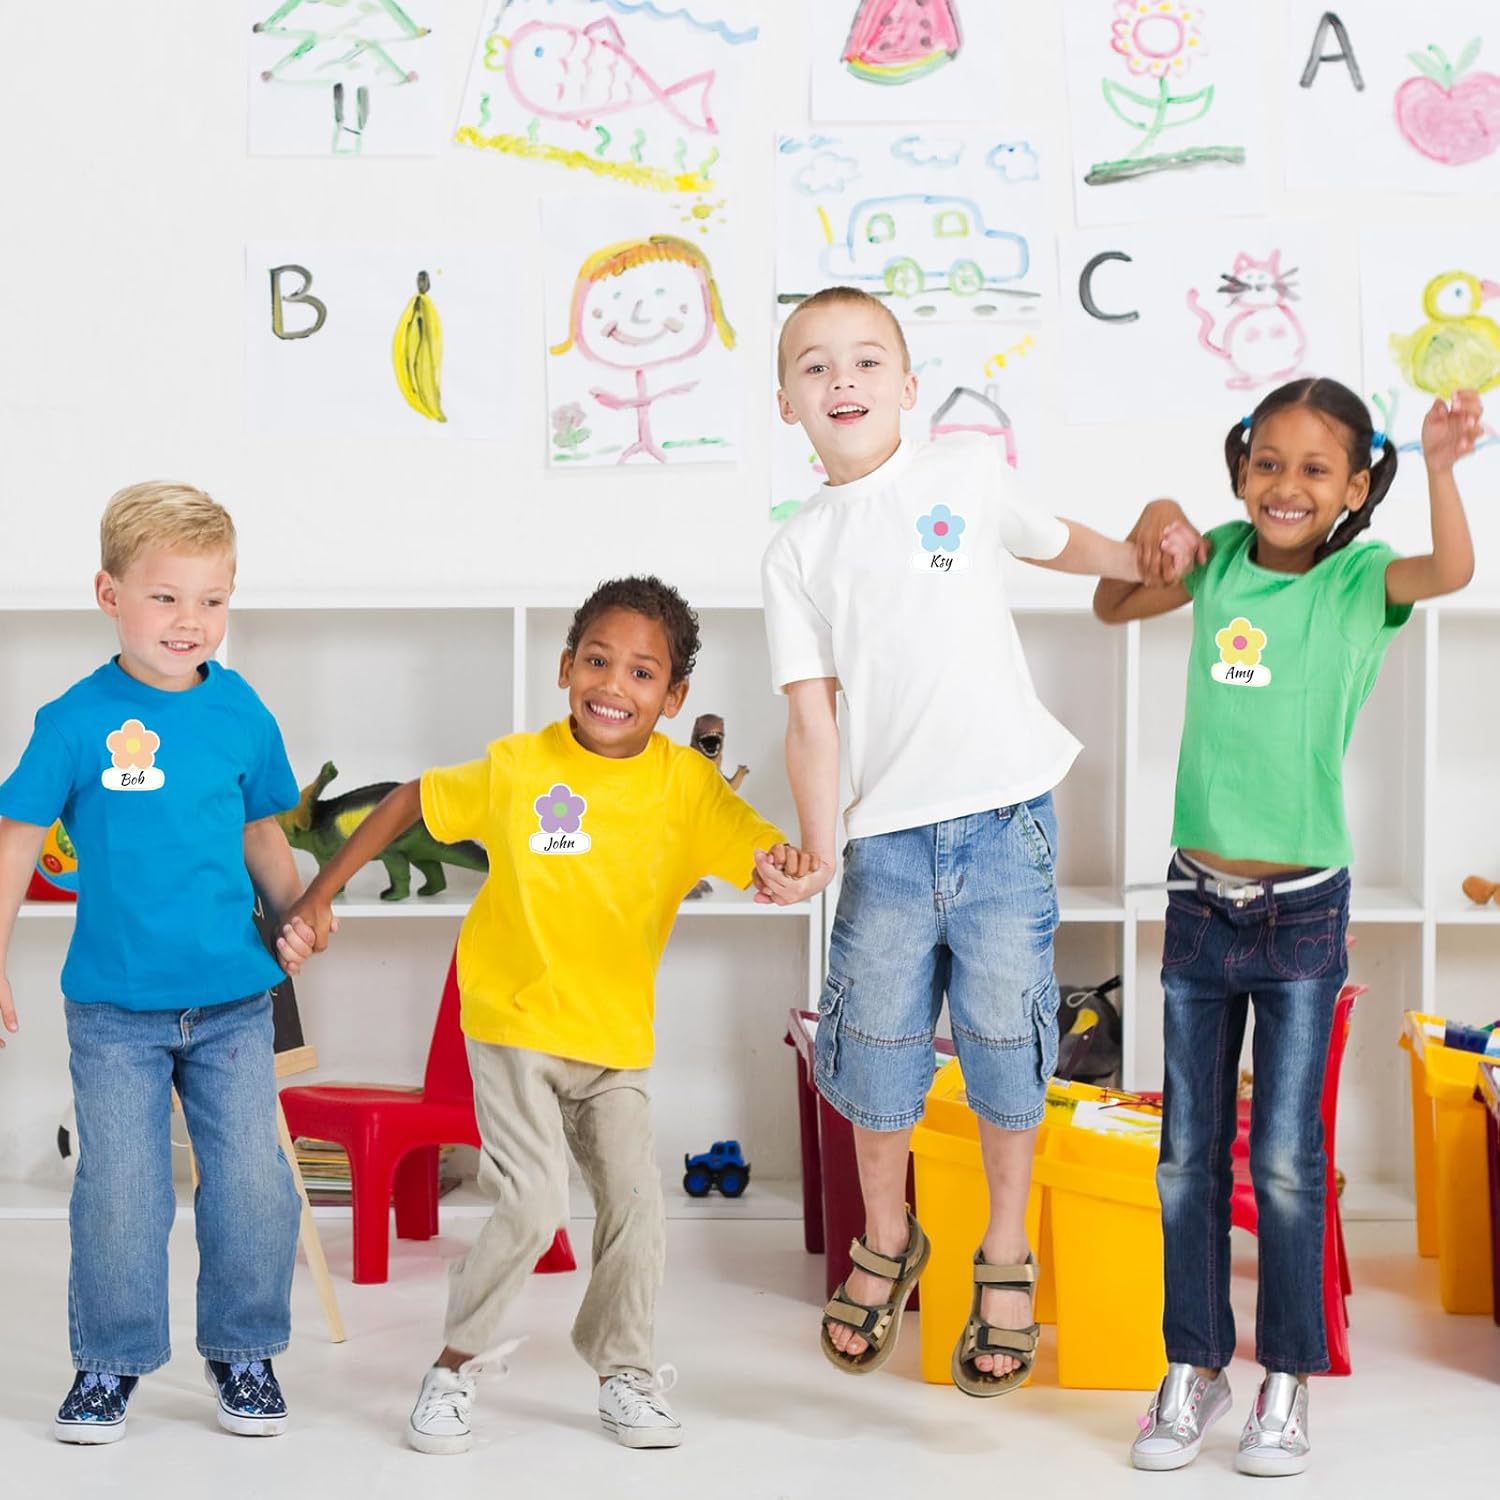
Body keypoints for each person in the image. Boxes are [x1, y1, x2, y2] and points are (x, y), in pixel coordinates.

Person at [762, 285, 1189, 1396]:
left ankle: (1005, 1250)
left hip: (1007, 823)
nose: (843, 379)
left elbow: (1059, 542)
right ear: (785, 403)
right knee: (876, 1054)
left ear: (908, 386)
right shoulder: (797, 549)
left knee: (1005, 1045)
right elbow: (812, 719)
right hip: (886, 845)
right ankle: (888, 1235)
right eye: (815, 365)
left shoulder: (963, 472)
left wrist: (1137, 558)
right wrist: (818, 849)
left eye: (867, 360)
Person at [283, 576, 821, 1453]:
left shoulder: (687, 787)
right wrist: (319, 894)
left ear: (674, 697)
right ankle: (452, 1368)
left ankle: (624, 1371)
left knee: (637, 1207)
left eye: (643, 673)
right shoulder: (518, 768)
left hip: (612, 1040)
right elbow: (410, 799)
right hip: (513, 1024)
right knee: (534, 1207)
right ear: (566, 666)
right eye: (598, 661)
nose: (615, 685)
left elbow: (759, 849)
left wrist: (786, 866)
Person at [1094, 378, 1483, 1476]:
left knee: (1284, 1164)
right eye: (1267, 462)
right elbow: (1113, 605)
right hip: (1196, 904)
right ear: (1240, 471)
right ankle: (1193, 1367)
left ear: (1355, 489)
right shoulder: (1216, 558)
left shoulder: (1362, 579)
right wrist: (1158, 519)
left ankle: (1286, 1381)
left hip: (1304, 911)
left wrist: (1442, 468)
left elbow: (1453, 571)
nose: (1286, 485)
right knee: (1185, 1158)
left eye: (1316, 469)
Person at [0, 481, 317, 1444]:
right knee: (122, 1195)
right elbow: (17, 840)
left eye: (212, 599)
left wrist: (298, 910)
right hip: (115, 1012)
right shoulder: (72, 719)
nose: (191, 621)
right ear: (109, 594)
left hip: (233, 1003)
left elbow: (261, 832)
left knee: (253, 1185)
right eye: (166, 597)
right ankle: (110, 1361)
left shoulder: (240, 710)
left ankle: (244, 1350)